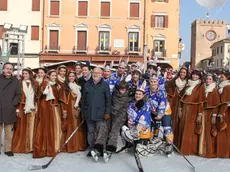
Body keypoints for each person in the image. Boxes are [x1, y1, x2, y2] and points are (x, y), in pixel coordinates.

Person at [90, 81, 130, 162]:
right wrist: (107, 113)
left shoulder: (127, 97)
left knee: (114, 131)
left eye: (124, 90)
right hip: (110, 115)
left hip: (119, 117)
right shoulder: (114, 94)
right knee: (103, 129)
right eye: (121, 89)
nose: (122, 91)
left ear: (126, 90)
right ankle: (99, 147)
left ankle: (110, 148)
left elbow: (121, 108)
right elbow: (109, 103)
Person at [82, 67, 111, 157]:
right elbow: (83, 100)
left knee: (100, 133)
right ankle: (92, 149)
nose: (96, 74)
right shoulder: (87, 84)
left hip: (100, 113)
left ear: (101, 74)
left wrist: (107, 112)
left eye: (98, 73)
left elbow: (108, 100)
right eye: (94, 72)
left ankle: (100, 149)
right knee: (90, 132)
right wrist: (83, 112)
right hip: (89, 113)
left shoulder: (105, 85)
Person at [33, 69, 62, 158]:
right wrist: (44, 91)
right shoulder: (45, 83)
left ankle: (52, 147)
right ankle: (43, 148)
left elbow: (59, 96)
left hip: (54, 108)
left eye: (55, 76)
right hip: (45, 107)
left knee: (53, 127)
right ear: (49, 76)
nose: (54, 77)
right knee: (44, 127)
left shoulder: (57, 85)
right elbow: (40, 95)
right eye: (52, 75)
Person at [178, 69, 206, 155]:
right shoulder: (187, 84)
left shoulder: (200, 86)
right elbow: (181, 98)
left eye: (197, 75)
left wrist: (200, 114)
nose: (195, 76)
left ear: (199, 77)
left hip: (194, 109)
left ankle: (190, 150)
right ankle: (182, 148)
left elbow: (201, 102)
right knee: (183, 128)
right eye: (194, 74)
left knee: (190, 131)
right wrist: (180, 109)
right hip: (185, 109)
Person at [59, 71, 87, 152]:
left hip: (77, 107)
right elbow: (63, 101)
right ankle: (71, 146)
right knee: (71, 125)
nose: (71, 78)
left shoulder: (77, 86)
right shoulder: (64, 87)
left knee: (77, 125)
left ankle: (78, 145)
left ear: (75, 77)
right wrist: (64, 110)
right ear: (67, 77)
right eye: (70, 76)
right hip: (69, 108)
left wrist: (78, 106)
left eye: (73, 76)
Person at [12, 68, 38, 153]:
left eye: (26, 73)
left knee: (31, 127)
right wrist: (17, 110)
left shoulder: (35, 83)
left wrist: (36, 106)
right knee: (21, 127)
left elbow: (37, 97)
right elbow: (15, 97)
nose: (25, 75)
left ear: (30, 74)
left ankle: (30, 147)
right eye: (23, 74)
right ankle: (22, 147)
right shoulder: (19, 83)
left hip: (32, 108)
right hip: (21, 108)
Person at [0, 62, 21, 156]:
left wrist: (13, 103)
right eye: (7, 68)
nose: (8, 70)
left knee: (9, 132)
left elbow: (18, 94)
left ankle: (8, 149)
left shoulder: (16, 81)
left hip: (9, 108)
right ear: (3, 69)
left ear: (12, 71)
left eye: (10, 69)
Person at [198, 74, 220, 158]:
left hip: (211, 113)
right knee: (203, 131)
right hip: (204, 112)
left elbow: (217, 104)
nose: (208, 81)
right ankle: (202, 150)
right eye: (207, 79)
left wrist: (214, 115)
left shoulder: (214, 90)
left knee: (210, 132)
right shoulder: (203, 88)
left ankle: (209, 151)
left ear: (213, 80)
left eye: (210, 79)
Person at [165, 67, 188, 146]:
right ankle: (170, 141)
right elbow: (168, 93)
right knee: (172, 123)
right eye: (181, 72)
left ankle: (179, 143)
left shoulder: (188, 83)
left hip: (183, 105)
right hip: (173, 104)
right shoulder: (173, 82)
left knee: (180, 123)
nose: (182, 74)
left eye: (184, 73)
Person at [216, 71, 230, 158]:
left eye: (222, 77)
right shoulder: (222, 86)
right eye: (220, 76)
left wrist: (221, 113)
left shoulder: (227, 87)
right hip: (224, 109)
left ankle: (225, 152)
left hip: (226, 111)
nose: (221, 78)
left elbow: (226, 101)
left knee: (225, 132)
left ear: (227, 78)